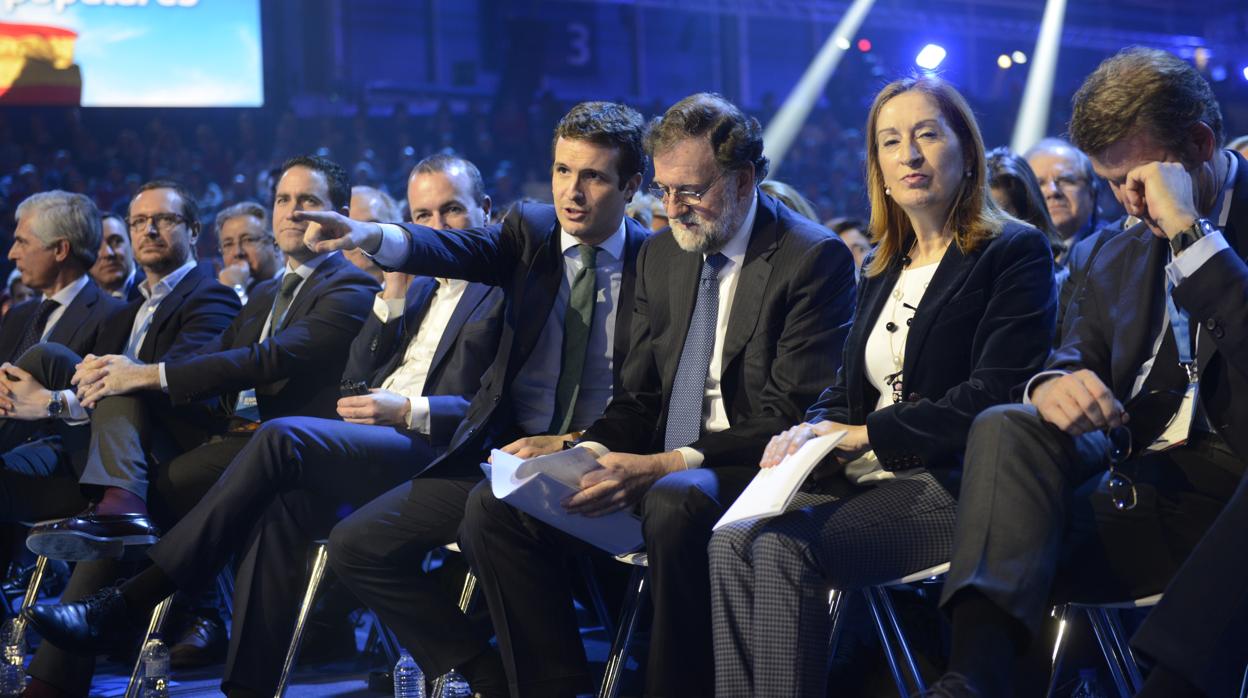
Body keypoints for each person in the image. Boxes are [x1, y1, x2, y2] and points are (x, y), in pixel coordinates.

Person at [460, 92, 856, 697]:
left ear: (744, 178)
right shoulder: (665, 253)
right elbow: (638, 398)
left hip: (750, 466)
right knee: (498, 504)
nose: (672, 209)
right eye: (664, 191)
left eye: (690, 192)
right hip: (659, 465)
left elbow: (787, 415)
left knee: (675, 499)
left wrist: (665, 463)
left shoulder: (812, 257)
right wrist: (581, 452)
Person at [707, 75, 1057, 698]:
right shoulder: (880, 263)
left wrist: (865, 431)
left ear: (966, 150)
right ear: (879, 166)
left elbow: (995, 393)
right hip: (865, 479)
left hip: (954, 486)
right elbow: (846, 392)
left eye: (927, 135)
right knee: (730, 541)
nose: (910, 155)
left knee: (786, 552)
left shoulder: (1013, 250)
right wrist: (809, 431)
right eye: (891, 142)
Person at [929, 47, 1248, 698]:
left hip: (1233, 485)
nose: (1129, 204)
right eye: (1110, 183)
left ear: (1200, 143)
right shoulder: (1114, 250)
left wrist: (1193, 234)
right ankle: (971, 683)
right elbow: (1073, 355)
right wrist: (1053, 385)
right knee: (1009, 426)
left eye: (1140, 181)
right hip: (1133, 480)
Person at [21, 155, 379, 698]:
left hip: (294, 456)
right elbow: (214, 359)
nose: (291, 213)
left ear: (340, 215)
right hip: (230, 441)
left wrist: (140, 374)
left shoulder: (349, 286)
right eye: (283, 200)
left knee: (130, 425)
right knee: (102, 378)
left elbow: (267, 360)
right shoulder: (263, 295)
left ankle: (67, 655)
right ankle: (118, 511)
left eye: (307, 202)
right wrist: (111, 377)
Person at [1025, 137, 1101, 264]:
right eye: (1039, 184)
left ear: (1092, 192)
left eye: (1066, 180)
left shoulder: (1114, 249)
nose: (1052, 191)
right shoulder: (1016, 257)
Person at [215, 201, 283, 304]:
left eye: (248, 240)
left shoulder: (294, 289)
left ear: (275, 245)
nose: (237, 252)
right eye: (228, 244)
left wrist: (236, 290)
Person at [345, 185, 401, 284]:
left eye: (371, 227)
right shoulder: (325, 293)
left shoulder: (421, 292)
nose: (360, 237)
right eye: (350, 228)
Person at [89, 213, 140, 300]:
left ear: (132, 244)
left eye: (116, 242)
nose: (107, 253)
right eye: (96, 246)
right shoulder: (83, 304)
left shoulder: (153, 293)